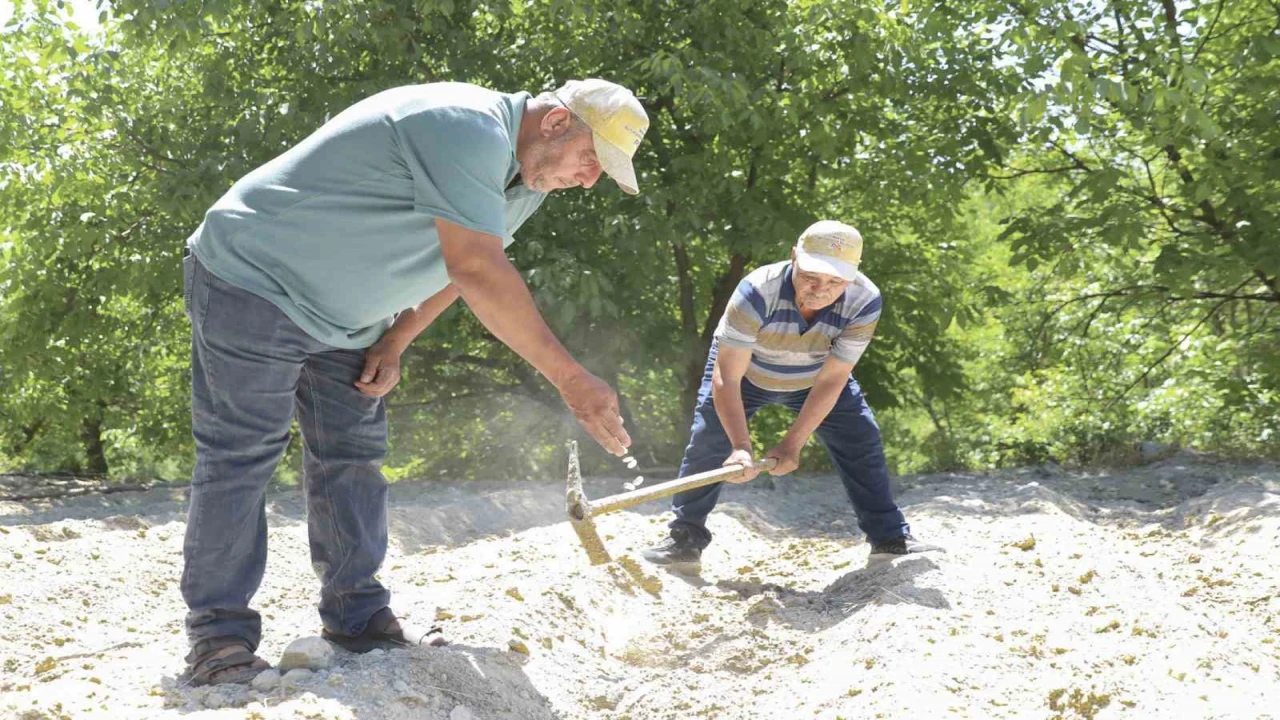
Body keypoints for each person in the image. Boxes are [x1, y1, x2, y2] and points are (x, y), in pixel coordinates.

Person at [178, 79, 648, 685]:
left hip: (348, 321)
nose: (588, 180)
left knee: (352, 457)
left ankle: (357, 617)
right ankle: (218, 638)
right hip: (252, 280)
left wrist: (397, 337)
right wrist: (570, 377)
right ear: (556, 123)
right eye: (590, 158)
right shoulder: (464, 127)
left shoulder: (524, 181)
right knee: (243, 454)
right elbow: (476, 267)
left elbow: (459, 265)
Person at [643, 221, 940, 571]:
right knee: (709, 440)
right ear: (794, 256)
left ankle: (889, 538)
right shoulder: (756, 291)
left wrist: (792, 444)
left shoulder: (865, 299)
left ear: (854, 273)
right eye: (811, 276)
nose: (820, 290)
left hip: (816, 376)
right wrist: (740, 445)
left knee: (861, 439)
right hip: (744, 374)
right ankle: (684, 540)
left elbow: (834, 378)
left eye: (835, 282)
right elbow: (728, 377)